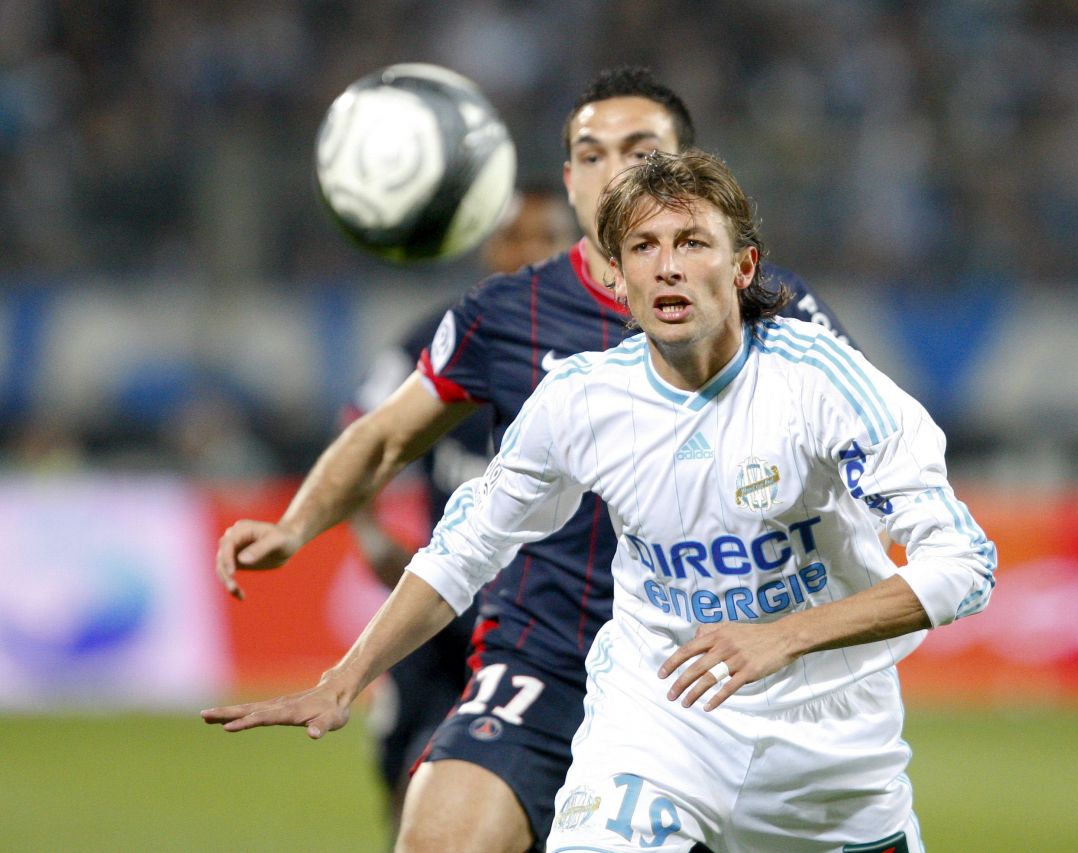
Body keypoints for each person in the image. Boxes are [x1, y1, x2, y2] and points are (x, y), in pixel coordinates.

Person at [204, 149, 996, 852]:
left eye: (692, 243)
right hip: (655, 729)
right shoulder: (582, 398)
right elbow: (464, 548)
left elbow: (965, 564)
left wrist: (782, 636)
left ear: (744, 267)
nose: (668, 267)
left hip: (830, 758)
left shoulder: (821, 382)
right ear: (615, 276)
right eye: (644, 247)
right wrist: (344, 678)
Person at [346, 184, 577, 832]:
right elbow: (361, 435)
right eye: (509, 237)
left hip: (549, 628)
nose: (524, 253)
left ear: (571, 250)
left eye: (541, 237)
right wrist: (368, 532)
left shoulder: (608, 349)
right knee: (409, 781)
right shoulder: (442, 340)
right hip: (441, 615)